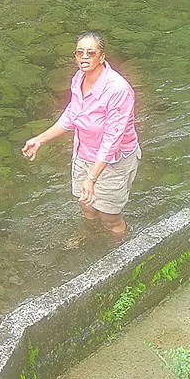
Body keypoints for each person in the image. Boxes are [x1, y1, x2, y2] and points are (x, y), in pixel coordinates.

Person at [21, 31, 140, 236]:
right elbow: (72, 116)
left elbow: (112, 139)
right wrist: (39, 140)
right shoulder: (79, 79)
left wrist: (92, 178)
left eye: (90, 53)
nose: (84, 57)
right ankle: (87, 237)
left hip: (113, 162)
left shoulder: (118, 90)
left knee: (110, 217)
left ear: (101, 56)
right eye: (80, 52)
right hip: (84, 154)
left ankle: (117, 249)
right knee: (87, 207)